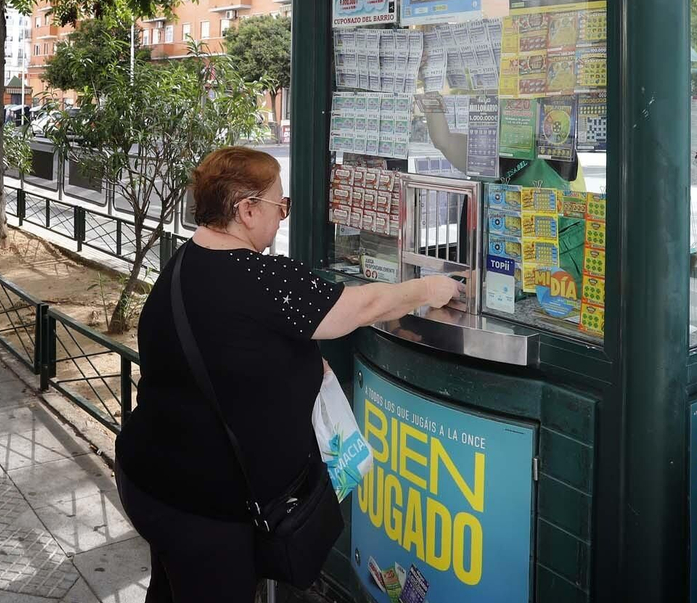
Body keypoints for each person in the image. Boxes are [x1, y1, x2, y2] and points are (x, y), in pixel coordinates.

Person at [114, 147, 463, 602]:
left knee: (170, 588)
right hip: (205, 508)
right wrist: (428, 288)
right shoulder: (261, 277)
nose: (282, 218)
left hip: (148, 479)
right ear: (247, 210)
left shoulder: (184, 261)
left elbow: (232, 346)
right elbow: (362, 307)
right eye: (281, 206)